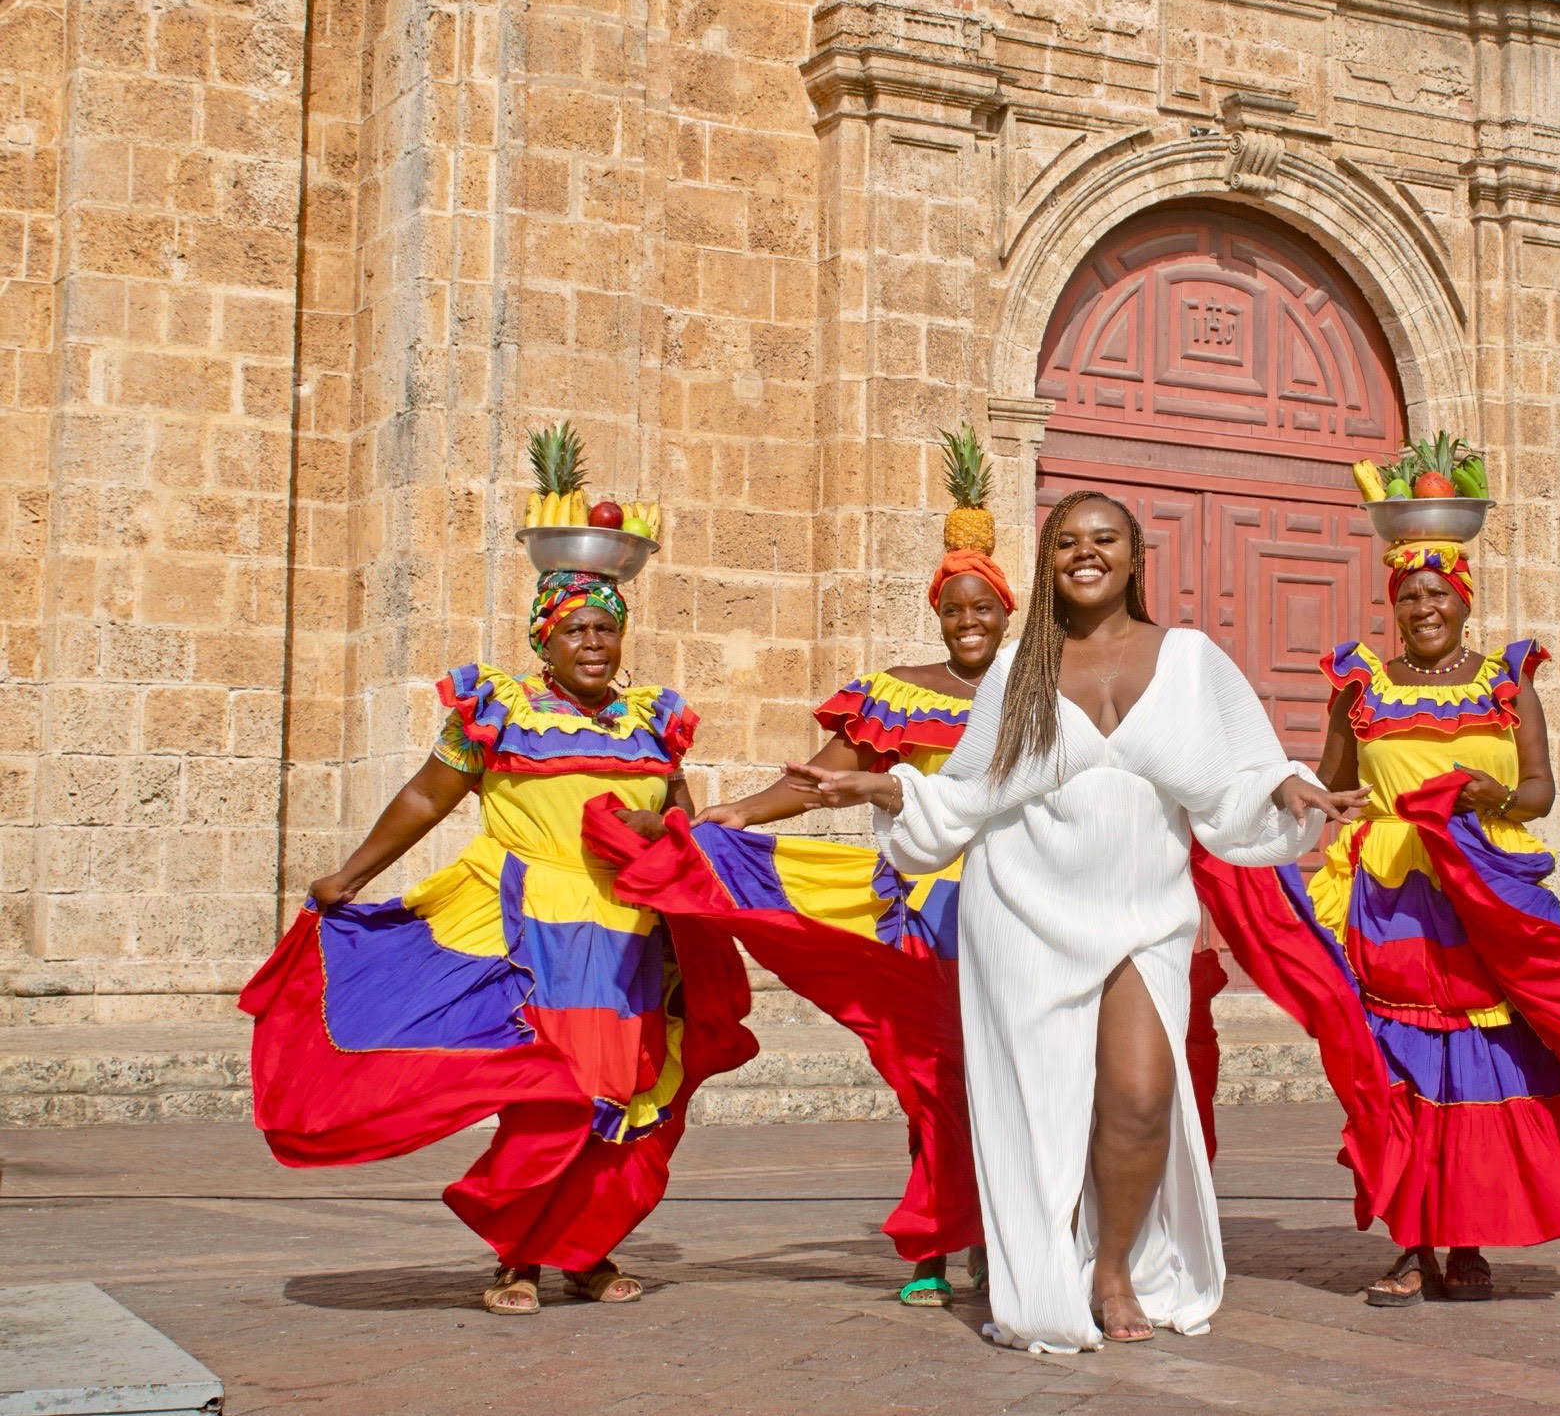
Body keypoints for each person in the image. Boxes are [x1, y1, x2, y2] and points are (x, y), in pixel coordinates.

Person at [787, 492, 1366, 1353]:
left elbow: (1235, 774)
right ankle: (1046, 1264)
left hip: (1144, 910)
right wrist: (889, 786)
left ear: (1135, 558)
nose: (1084, 554)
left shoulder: (1191, 659)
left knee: (1140, 1093)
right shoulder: (1021, 666)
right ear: (1049, 558)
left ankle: (1115, 1266)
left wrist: (1282, 785)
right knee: (1038, 1104)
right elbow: (967, 793)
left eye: (1103, 540)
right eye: (1066, 541)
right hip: (1022, 907)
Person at [240, 567, 755, 1316]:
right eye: (575, 628)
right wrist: (350, 874)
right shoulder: (499, 712)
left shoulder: (651, 721)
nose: (593, 642)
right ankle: (518, 1256)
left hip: (628, 943)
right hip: (528, 938)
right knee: (550, 1095)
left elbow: (686, 823)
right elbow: (425, 794)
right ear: (543, 636)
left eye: (605, 628)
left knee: (624, 1097)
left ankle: (582, 1250)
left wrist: (666, 837)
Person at [1192, 539, 1560, 1307]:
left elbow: (1540, 788)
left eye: (1437, 594)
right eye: (1409, 596)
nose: (1424, 609)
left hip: (1481, 897)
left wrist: (1496, 796)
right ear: (1394, 605)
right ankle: (1412, 1243)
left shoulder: (1506, 683)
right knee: (1403, 1064)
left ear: (1464, 598)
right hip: (1392, 899)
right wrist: (1272, 819)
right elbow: (1335, 784)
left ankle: (1470, 1239)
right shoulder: (1362, 688)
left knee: (1481, 1061)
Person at [692, 548, 1017, 1306]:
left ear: (1008, 612)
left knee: (1012, 1080)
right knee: (936, 1084)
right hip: (927, 917)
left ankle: (1001, 1241)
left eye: (982, 607)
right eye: (954, 609)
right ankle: (934, 1247)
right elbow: (819, 782)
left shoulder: (1037, 689)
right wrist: (741, 812)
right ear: (938, 616)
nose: (968, 622)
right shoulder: (901, 694)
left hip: (1017, 908)